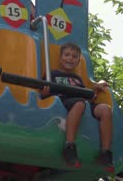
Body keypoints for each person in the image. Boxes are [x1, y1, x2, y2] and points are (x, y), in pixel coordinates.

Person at [40, 42, 113, 171]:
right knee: (79, 104)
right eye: (67, 55)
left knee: (105, 109)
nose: (70, 58)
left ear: (78, 61)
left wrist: (95, 88)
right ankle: (69, 146)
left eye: (74, 56)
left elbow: (88, 95)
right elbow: (45, 93)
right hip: (64, 100)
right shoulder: (53, 74)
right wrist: (45, 93)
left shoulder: (77, 78)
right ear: (60, 57)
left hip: (83, 102)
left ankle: (105, 152)